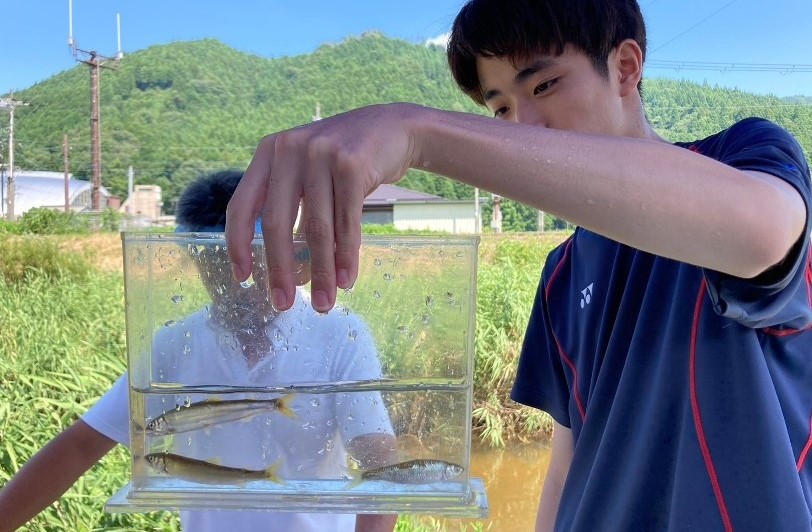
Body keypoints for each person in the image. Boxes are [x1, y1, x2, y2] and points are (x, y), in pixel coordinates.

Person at [224, 1, 812, 530]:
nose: (523, 126)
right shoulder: (561, 272)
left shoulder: (742, 159)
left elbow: (761, 231)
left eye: (546, 84)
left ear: (627, 67)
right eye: (500, 107)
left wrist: (416, 133)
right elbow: (565, 459)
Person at [0, 170, 398, 532]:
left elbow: (379, 460)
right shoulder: (174, 343)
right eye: (219, 262)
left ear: (279, 251)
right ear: (195, 258)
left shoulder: (339, 332)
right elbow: (81, 445)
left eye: (252, 258)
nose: (238, 278)